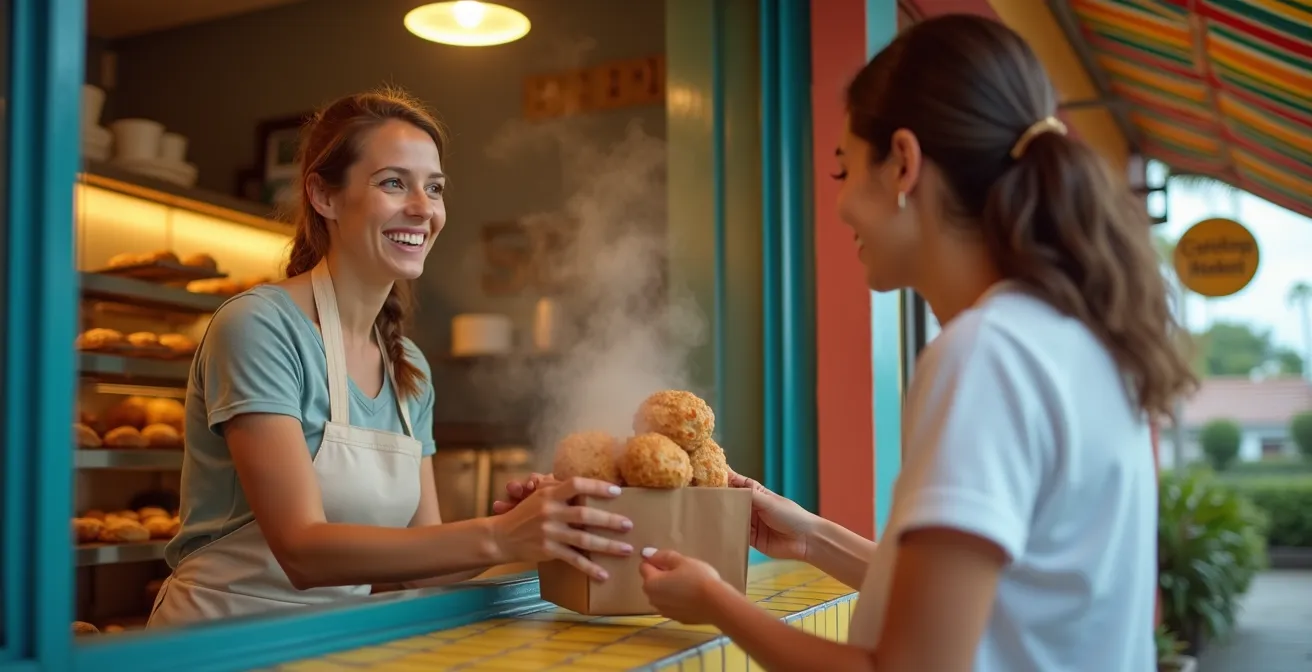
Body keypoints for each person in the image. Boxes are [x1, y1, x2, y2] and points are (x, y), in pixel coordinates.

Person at [498, 15, 1196, 672]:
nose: (839, 205)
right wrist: (810, 539)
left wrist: (717, 604)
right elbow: (996, 603)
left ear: (902, 163)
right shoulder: (1076, 339)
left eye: (842, 169)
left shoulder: (988, 355)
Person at [147, 88, 633, 627]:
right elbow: (301, 549)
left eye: (435, 187)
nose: (424, 208)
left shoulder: (410, 369)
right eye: (393, 183)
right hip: (219, 640)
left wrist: (535, 527)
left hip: (340, 642)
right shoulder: (259, 327)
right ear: (323, 197)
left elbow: (423, 569)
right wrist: (497, 536)